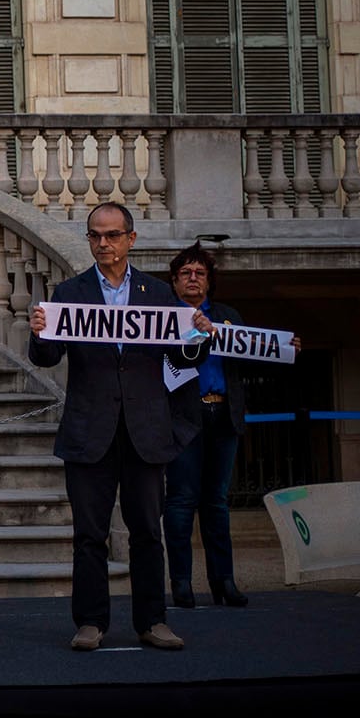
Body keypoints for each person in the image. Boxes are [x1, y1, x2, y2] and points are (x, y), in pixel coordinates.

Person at [28, 201, 211, 653]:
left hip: (146, 431)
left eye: (111, 235)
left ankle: (153, 621)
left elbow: (179, 359)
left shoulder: (159, 294)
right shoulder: (69, 293)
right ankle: (90, 622)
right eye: (95, 235)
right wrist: (38, 332)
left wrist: (197, 338)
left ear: (131, 239)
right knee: (89, 534)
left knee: (149, 532)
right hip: (90, 430)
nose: (103, 243)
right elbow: (47, 358)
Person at [163, 243, 293, 610]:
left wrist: (285, 350)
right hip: (182, 419)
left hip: (224, 415)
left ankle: (224, 581)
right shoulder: (163, 318)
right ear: (174, 282)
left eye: (199, 274)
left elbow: (252, 362)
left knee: (217, 503)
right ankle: (182, 583)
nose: (193, 279)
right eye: (185, 273)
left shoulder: (227, 316)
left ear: (209, 281)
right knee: (181, 501)